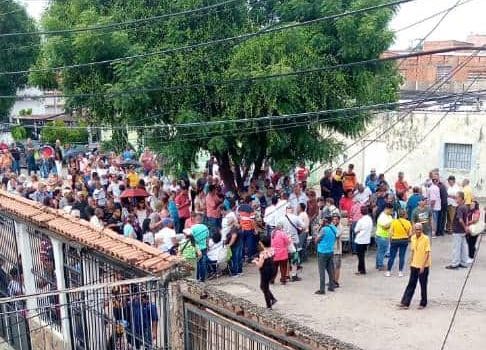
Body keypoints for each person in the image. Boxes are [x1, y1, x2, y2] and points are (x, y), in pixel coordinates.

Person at [399, 223, 431, 309]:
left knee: (423, 284)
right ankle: (405, 302)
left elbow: (427, 253)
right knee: (411, 283)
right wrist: (411, 261)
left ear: (422, 230)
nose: (418, 231)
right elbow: (413, 251)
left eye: (419, 229)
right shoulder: (413, 238)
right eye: (416, 229)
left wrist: (423, 266)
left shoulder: (426, 239)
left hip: (423, 265)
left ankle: (423, 302)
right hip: (414, 264)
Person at [446, 192, 469, 269]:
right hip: (462, 231)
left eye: (456, 197)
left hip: (458, 230)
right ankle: (463, 262)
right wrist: (466, 227)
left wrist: (465, 227)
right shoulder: (465, 207)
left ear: (460, 198)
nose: (455, 199)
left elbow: (460, 219)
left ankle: (455, 263)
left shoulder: (459, 208)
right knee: (463, 247)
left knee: (456, 248)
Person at [386, 209, 412, 277]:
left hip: (395, 240)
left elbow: (390, 232)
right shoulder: (408, 222)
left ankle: (388, 271)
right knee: (402, 256)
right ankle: (400, 272)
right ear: (405, 215)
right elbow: (410, 233)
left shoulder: (394, 222)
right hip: (404, 240)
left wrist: (390, 239)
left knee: (392, 256)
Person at [253, 236, 277, 309]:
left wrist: (255, 261)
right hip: (273, 269)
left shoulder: (262, 254)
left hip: (265, 271)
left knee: (265, 287)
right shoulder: (272, 250)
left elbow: (260, 265)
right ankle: (272, 298)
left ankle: (269, 305)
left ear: (263, 244)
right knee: (263, 286)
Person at [315, 217, 337, 294]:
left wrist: (317, 231)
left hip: (322, 251)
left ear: (325, 221)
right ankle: (331, 286)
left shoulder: (323, 229)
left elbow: (316, 240)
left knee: (322, 271)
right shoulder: (334, 228)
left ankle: (322, 289)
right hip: (330, 251)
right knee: (330, 270)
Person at [191, 214, 210, 281]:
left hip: (196, 248)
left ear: (195, 219)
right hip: (204, 247)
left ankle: (197, 278)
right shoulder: (205, 227)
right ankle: (202, 279)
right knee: (203, 263)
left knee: (197, 263)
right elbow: (207, 238)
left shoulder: (193, 228)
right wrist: (207, 245)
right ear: (201, 219)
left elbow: (191, 239)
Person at [354, 206, 372, 275]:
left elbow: (356, 230)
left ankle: (361, 269)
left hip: (360, 239)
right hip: (366, 239)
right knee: (362, 255)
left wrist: (359, 231)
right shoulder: (369, 219)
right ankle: (361, 269)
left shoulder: (361, 220)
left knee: (360, 256)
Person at [375, 204, 393, 271]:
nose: (391, 211)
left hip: (385, 236)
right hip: (381, 236)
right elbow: (384, 227)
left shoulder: (389, 216)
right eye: (390, 210)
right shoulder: (382, 216)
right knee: (381, 252)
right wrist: (391, 223)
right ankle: (380, 265)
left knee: (380, 251)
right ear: (386, 209)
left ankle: (378, 264)